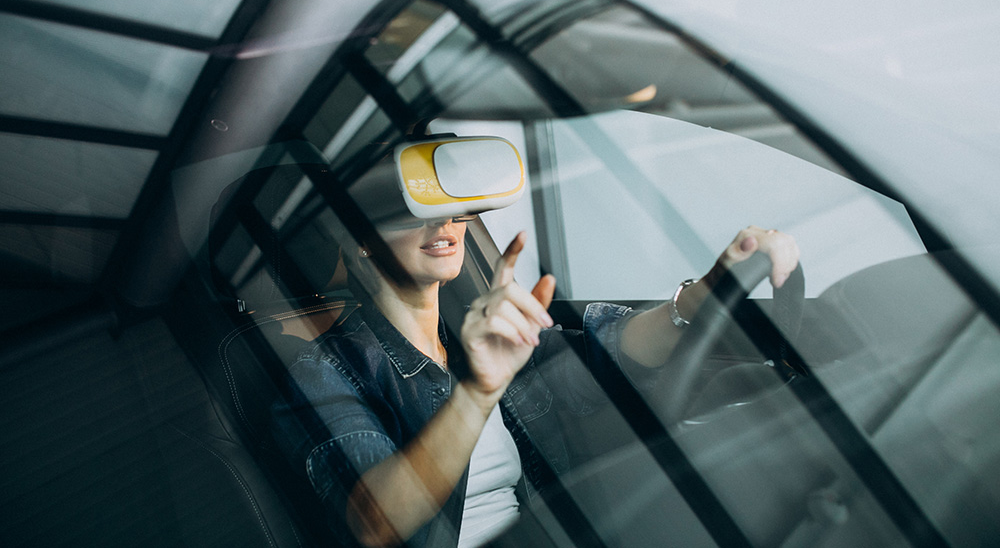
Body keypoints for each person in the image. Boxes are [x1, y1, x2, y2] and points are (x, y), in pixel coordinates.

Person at [273, 211, 799, 548]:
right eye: (413, 208)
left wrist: (705, 291)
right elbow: (375, 523)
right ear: (361, 242)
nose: (444, 219)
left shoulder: (484, 338)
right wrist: (479, 392)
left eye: (452, 203)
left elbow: (612, 356)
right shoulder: (326, 372)